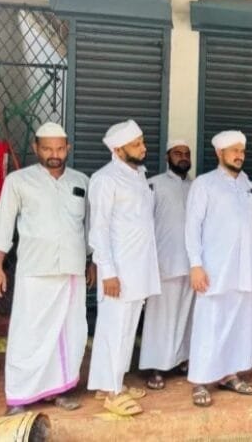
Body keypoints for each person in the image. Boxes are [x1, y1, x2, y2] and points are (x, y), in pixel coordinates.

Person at [0, 122, 93, 415]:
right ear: (36, 148)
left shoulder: (81, 181)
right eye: (48, 148)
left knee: (68, 332)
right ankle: (19, 396)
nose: (54, 154)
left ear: (68, 148)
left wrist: (92, 261)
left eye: (60, 148)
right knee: (28, 334)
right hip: (35, 270)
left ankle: (58, 390)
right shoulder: (18, 181)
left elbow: (89, 227)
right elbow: (3, 225)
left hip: (72, 270)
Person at [87, 119, 161, 416]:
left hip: (139, 267)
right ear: (118, 150)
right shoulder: (105, 179)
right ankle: (112, 393)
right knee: (114, 329)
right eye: (136, 144)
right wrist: (108, 271)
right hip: (118, 270)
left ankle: (111, 383)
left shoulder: (139, 175)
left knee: (127, 329)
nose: (144, 148)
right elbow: (98, 229)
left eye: (142, 142)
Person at [185, 130, 252, 407]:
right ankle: (200, 380)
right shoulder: (204, 184)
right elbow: (192, 226)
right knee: (210, 324)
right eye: (234, 150)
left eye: (242, 150)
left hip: (244, 270)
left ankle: (230, 374)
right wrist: (196, 265)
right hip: (214, 269)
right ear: (220, 153)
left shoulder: (248, 185)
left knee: (239, 324)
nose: (240, 155)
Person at [138, 140, 194, 390]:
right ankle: (156, 366)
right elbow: (144, 225)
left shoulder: (196, 186)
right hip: (163, 261)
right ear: (167, 157)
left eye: (186, 154)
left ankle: (181, 360)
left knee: (186, 315)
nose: (183, 157)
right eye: (177, 153)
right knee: (160, 317)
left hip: (192, 264)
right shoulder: (154, 184)